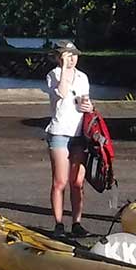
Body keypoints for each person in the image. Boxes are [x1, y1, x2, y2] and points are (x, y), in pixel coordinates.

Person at [43, 40, 93, 237]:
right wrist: (63, 68)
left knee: (77, 181)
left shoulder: (83, 77)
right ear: (58, 57)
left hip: (79, 132)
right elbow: (62, 92)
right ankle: (58, 223)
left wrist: (88, 106)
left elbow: (86, 100)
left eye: (73, 55)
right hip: (59, 131)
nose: (71, 59)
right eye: (66, 55)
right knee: (60, 181)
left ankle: (77, 222)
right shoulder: (53, 75)